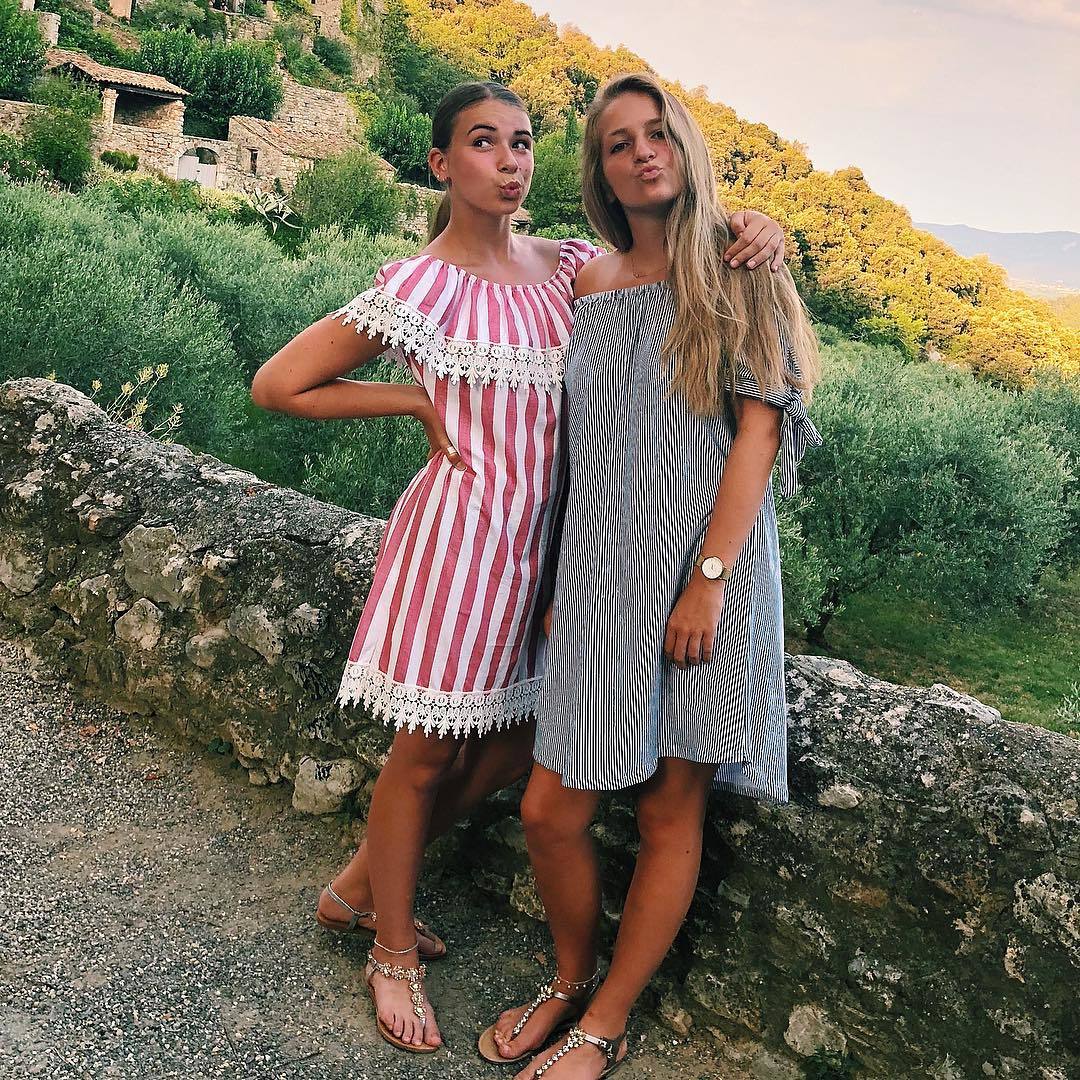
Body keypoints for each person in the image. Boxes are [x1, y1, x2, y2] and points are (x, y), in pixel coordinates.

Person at [251, 79, 787, 1054]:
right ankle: (391, 950)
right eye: (483, 142)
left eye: (523, 141)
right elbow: (281, 383)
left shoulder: (570, 270)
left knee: (511, 747)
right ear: (440, 163)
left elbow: (674, 284)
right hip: (465, 546)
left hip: (558, 561)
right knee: (426, 759)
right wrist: (412, 404)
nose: (508, 160)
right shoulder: (424, 286)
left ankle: (360, 885)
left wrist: (755, 224)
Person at [480, 71, 822, 1079]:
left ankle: (606, 1022)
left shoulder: (740, 268)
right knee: (551, 811)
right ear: (601, 170)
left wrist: (707, 579)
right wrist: (558, 583)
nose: (642, 151)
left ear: (687, 146)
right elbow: (576, 444)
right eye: (620, 141)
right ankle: (568, 978)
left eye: (658, 132)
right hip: (598, 579)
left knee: (672, 810)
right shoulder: (586, 284)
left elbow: (759, 434)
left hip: (706, 583)